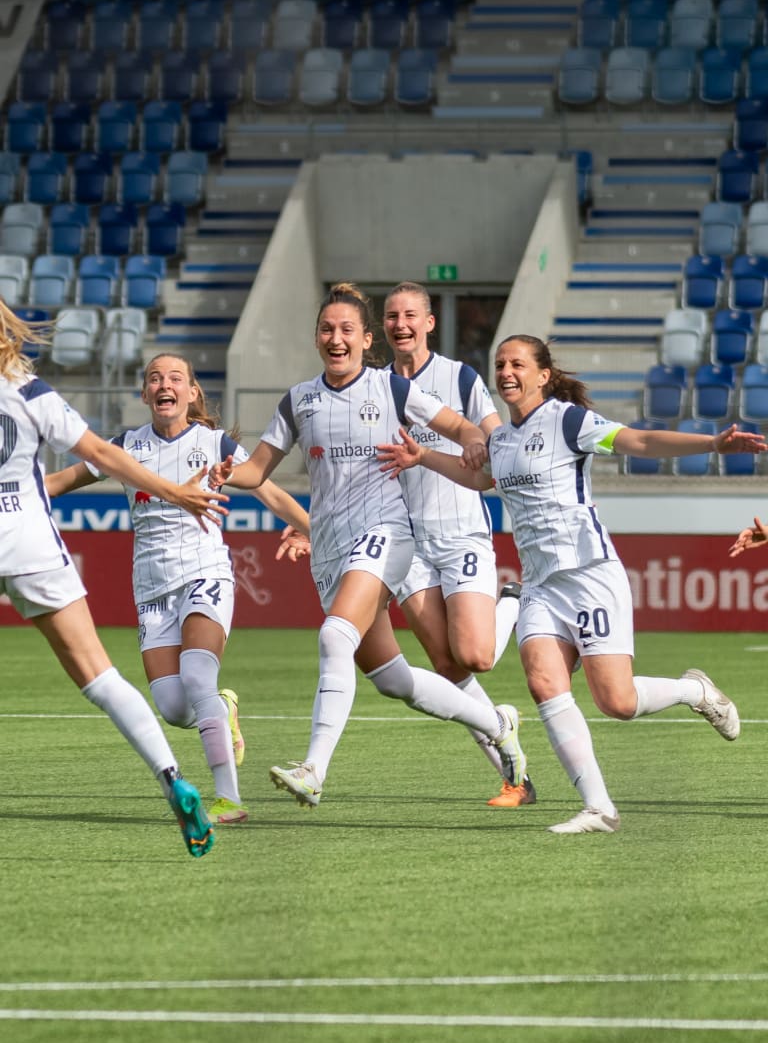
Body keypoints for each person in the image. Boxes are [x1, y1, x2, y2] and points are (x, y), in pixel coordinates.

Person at [379, 334, 767, 834]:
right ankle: (598, 807)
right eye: (499, 364)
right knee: (543, 682)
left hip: (589, 575)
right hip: (539, 585)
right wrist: (422, 458)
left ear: (543, 375)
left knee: (617, 702)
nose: (505, 373)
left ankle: (694, 691)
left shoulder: (568, 421)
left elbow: (641, 441)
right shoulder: (499, 438)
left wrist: (712, 443)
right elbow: (480, 480)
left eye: (517, 364)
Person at [209, 283, 525, 809]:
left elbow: (460, 424)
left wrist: (473, 440)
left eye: (347, 330)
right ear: (317, 338)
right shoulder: (300, 399)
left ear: (365, 339)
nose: (336, 338)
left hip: (385, 535)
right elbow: (258, 468)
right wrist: (226, 472)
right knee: (393, 680)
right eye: (327, 329)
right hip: (331, 549)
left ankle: (313, 771)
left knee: (335, 636)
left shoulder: (391, 389)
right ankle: (498, 723)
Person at [0, 303, 228, 857]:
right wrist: (175, 491)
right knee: (100, 677)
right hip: (27, 543)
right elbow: (100, 453)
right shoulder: (26, 390)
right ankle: (172, 777)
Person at [45, 353, 311, 827]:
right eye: (154, 379)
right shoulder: (124, 447)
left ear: (192, 393)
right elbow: (61, 481)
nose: (164, 385)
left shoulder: (213, 443)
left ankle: (228, 798)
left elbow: (269, 491)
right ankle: (225, 708)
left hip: (204, 573)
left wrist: (312, 529)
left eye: (175, 378)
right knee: (173, 708)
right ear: (145, 394)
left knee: (197, 675)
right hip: (151, 591)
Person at [382, 282, 532, 807]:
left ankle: (511, 600)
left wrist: (477, 441)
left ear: (428, 323)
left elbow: (493, 447)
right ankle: (515, 776)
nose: (400, 324)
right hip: (404, 543)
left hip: (460, 531)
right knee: (448, 667)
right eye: (391, 316)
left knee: (475, 655)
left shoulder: (460, 377)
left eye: (410, 315)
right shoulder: (373, 386)